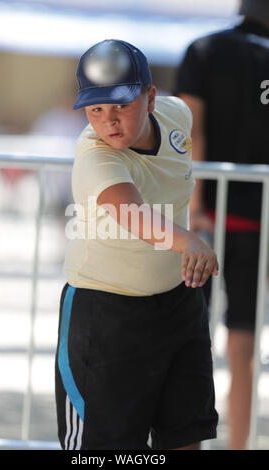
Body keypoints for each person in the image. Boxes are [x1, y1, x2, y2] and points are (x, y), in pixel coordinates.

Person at [55, 39, 219, 451]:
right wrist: (190, 242)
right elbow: (133, 215)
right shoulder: (94, 154)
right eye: (96, 110)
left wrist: (194, 217)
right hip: (107, 315)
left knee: (186, 434)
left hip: (179, 302)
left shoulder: (177, 114)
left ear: (150, 97)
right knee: (104, 450)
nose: (108, 121)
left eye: (120, 106)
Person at [174, 0, 269, 450]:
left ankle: (187, 441)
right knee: (244, 341)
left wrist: (196, 211)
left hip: (208, 220)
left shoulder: (205, 50)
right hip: (261, 222)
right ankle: (239, 446)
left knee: (190, 340)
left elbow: (194, 132)